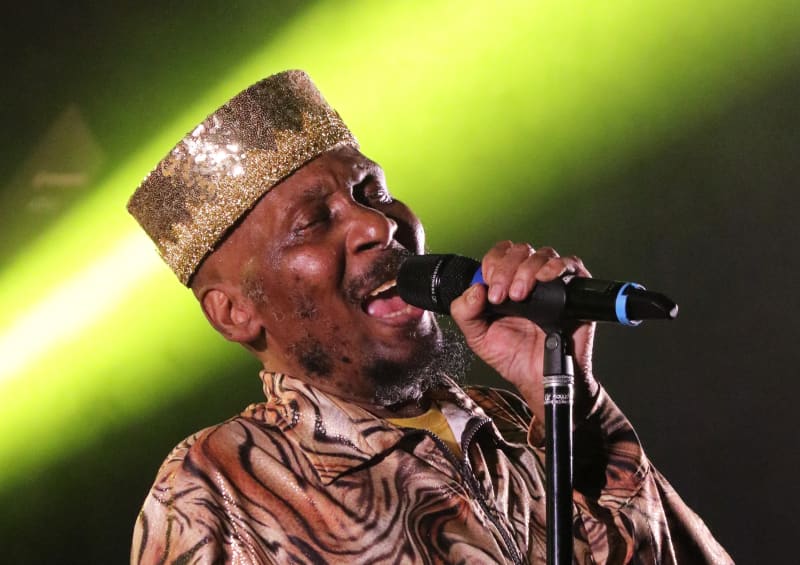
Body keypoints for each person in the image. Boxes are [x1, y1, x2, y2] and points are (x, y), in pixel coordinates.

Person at [128, 70, 731, 564]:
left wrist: (568, 398)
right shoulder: (219, 489)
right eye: (313, 222)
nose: (377, 225)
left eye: (372, 192)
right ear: (233, 313)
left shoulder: (513, 424)